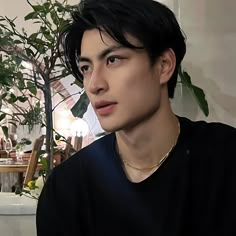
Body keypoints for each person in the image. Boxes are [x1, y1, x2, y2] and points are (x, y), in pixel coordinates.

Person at [36, 0, 236, 235]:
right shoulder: (67, 189)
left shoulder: (226, 160)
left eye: (113, 60)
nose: (94, 84)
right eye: (86, 68)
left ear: (164, 65)